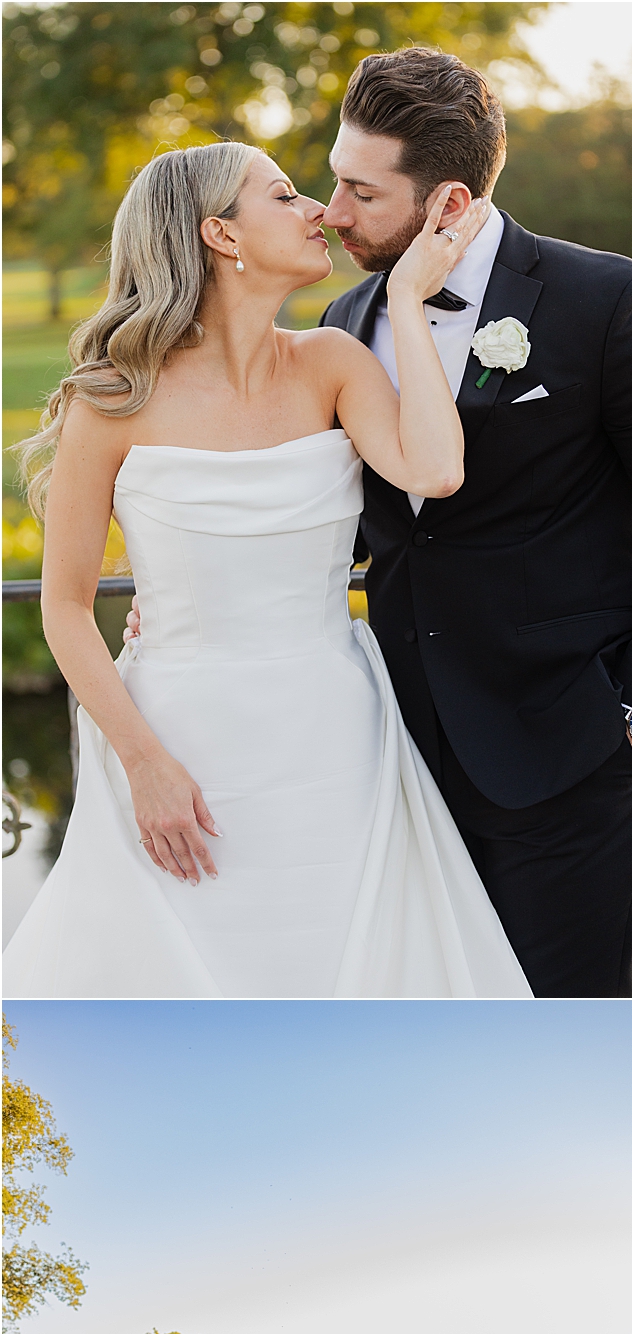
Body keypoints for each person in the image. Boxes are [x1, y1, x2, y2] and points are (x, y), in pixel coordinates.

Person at [4, 140, 529, 998]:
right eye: (285, 195)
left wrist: (406, 297)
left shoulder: (333, 363)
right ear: (221, 234)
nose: (319, 209)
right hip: (178, 736)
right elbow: (64, 608)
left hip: (336, 735)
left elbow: (435, 471)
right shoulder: (112, 399)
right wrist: (144, 764)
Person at [314, 47, 632, 997]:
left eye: (361, 193)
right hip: (399, 759)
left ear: (450, 203)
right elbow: (349, 525)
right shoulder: (345, 322)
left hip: (571, 752)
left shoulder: (604, 302)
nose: (333, 212)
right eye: (335, 181)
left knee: (565, 1041)